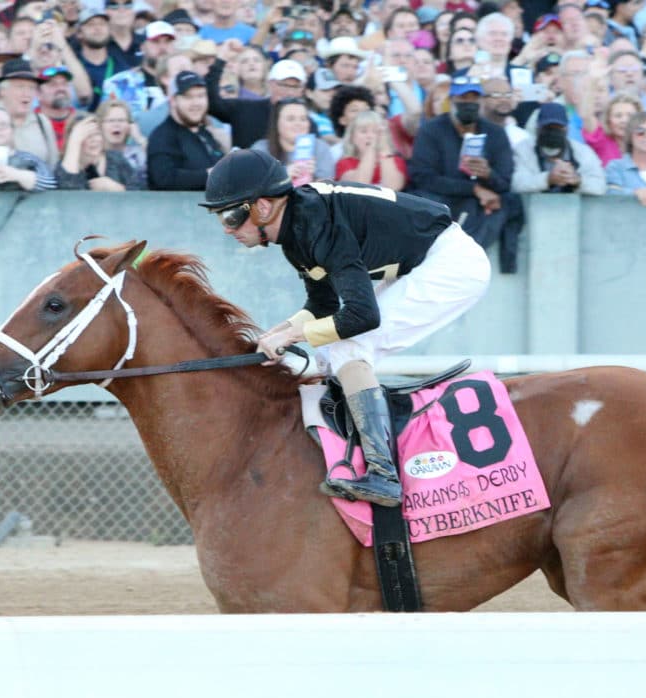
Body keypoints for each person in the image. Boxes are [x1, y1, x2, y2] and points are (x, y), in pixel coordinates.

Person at [200, 148, 491, 507]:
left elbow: (361, 317)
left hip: (451, 265)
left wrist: (291, 335)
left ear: (262, 207)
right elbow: (322, 306)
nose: (227, 229)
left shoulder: (316, 225)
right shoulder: (297, 229)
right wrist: (278, 331)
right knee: (327, 351)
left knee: (347, 347)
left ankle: (383, 474)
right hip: (424, 260)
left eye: (230, 215)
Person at [407, 75, 521, 271]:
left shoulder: (495, 133)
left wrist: (488, 174)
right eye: (463, 100)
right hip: (442, 198)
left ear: (481, 101)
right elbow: (422, 177)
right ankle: (447, 259)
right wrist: (474, 188)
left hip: (482, 202)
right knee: (422, 201)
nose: (469, 104)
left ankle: (479, 259)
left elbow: (504, 181)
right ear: (451, 101)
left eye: (474, 99)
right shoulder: (431, 131)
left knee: (509, 202)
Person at [0, 59, 59, 168]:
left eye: (31, 88)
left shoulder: (42, 122)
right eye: (20, 87)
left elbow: (53, 166)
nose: (26, 94)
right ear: (2, 91)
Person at [146, 70, 224, 190]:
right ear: (173, 101)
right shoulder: (162, 137)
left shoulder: (206, 133)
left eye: (201, 96)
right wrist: (209, 175)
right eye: (188, 97)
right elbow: (163, 179)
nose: (196, 103)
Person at [511, 102, 606, 194]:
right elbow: (516, 184)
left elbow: (600, 186)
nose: (552, 132)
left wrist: (577, 180)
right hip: (535, 208)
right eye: (548, 127)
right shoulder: (523, 149)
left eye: (558, 128)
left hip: (573, 208)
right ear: (537, 127)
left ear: (567, 129)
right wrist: (548, 179)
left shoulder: (582, 152)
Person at [251, 96, 336, 185]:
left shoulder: (320, 147)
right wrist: (282, 176)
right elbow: (252, 186)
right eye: (290, 119)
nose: (298, 124)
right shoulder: (260, 150)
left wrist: (314, 178)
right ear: (277, 123)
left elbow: (328, 189)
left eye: (303, 119)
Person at [58, 114, 143, 189]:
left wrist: (117, 188)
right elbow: (69, 192)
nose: (94, 140)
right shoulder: (65, 165)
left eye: (97, 134)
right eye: (87, 135)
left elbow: (139, 191)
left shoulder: (115, 158)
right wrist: (74, 143)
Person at [334, 108, 407, 188]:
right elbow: (357, 186)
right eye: (363, 131)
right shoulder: (345, 163)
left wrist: (384, 149)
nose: (370, 136)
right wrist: (371, 148)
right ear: (352, 137)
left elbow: (393, 187)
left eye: (376, 131)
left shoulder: (396, 161)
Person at [97, 96, 147, 183]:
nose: (116, 124)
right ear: (100, 125)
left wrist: (139, 139)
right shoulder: (93, 153)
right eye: (111, 121)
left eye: (121, 120)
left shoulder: (138, 153)